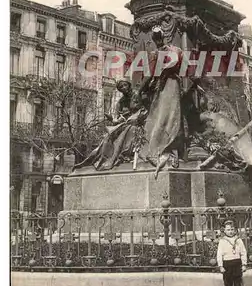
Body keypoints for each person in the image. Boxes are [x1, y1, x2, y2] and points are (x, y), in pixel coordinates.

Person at [138, 26, 184, 178]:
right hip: (170, 85)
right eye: (156, 38)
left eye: (157, 37)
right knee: (168, 116)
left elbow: (150, 74)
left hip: (167, 86)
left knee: (167, 116)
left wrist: (140, 90)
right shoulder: (174, 50)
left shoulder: (158, 53)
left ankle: (163, 149)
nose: (157, 40)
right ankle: (166, 149)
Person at [73, 80, 147, 171]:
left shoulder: (137, 95)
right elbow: (119, 117)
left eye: (125, 85)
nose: (123, 88)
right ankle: (104, 157)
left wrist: (136, 117)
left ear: (129, 85)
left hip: (138, 122)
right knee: (108, 136)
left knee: (128, 130)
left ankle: (122, 155)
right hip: (124, 123)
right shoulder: (121, 102)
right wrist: (113, 119)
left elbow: (144, 109)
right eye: (121, 87)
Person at [217, 220, 247, 286]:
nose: (230, 231)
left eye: (232, 229)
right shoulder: (222, 241)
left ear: (235, 230)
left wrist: (244, 264)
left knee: (238, 284)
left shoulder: (239, 240)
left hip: (237, 263)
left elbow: (243, 252)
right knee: (228, 284)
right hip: (227, 265)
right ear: (224, 230)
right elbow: (219, 254)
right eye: (228, 230)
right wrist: (221, 266)